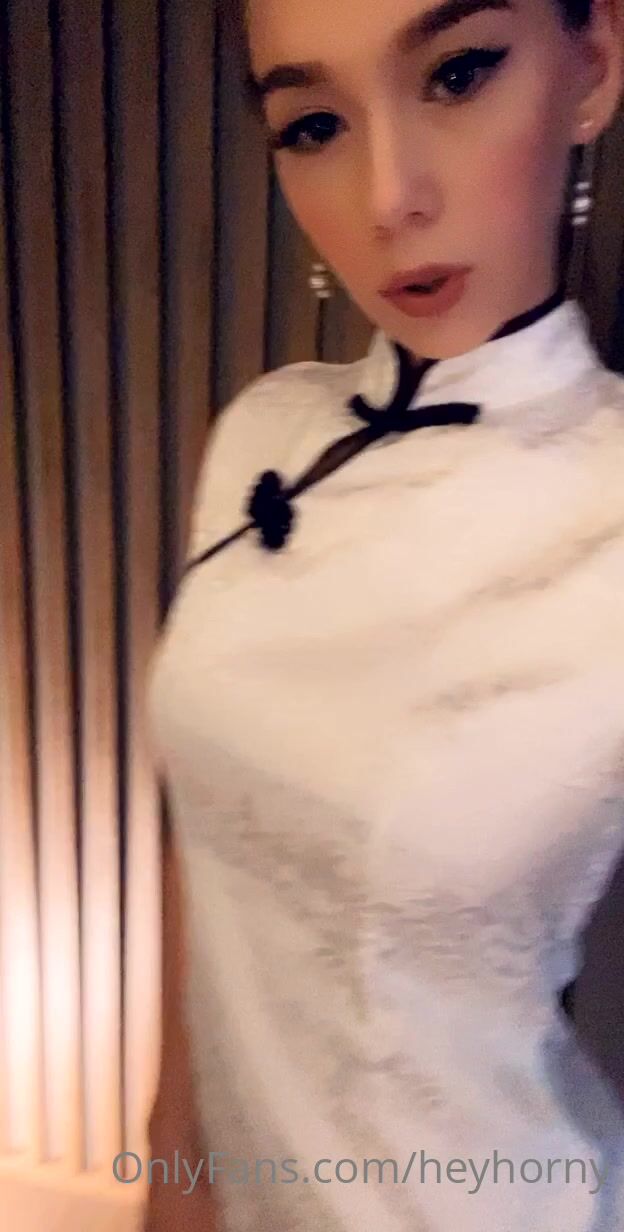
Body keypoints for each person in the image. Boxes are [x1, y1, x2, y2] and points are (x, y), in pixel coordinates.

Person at [145, 0, 624, 1228]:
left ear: (593, 66)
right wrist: (171, 1154)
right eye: (314, 126)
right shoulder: (261, 435)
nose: (389, 197)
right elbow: (202, 830)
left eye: (457, 74)